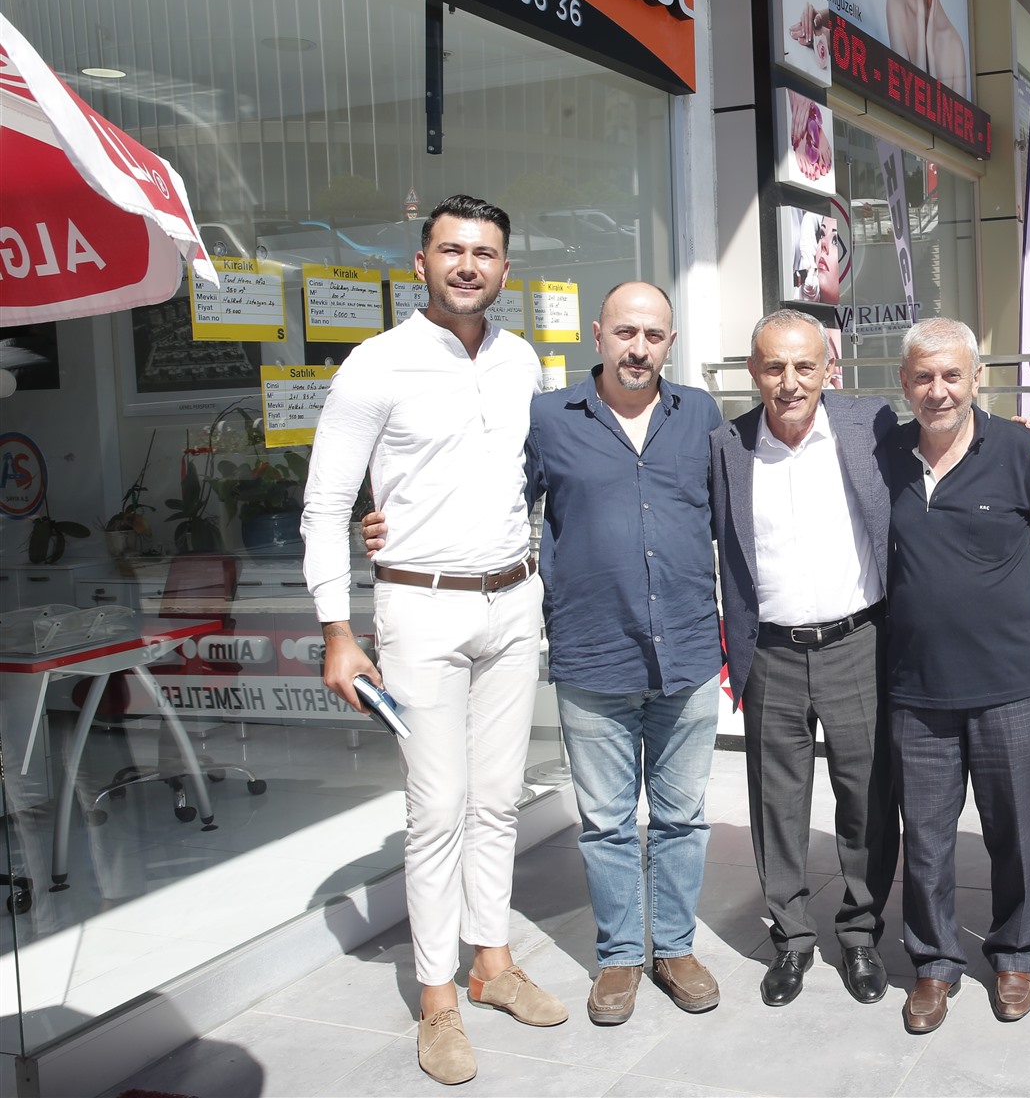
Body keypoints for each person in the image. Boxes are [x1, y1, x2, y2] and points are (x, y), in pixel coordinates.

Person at [361, 282, 728, 1028]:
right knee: (607, 822)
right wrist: (387, 523)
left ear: (670, 341)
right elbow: (489, 502)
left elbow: (736, 510)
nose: (638, 349)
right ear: (598, 334)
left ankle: (675, 949)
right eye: (625, 332)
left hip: (687, 648)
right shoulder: (551, 418)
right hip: (594, 652)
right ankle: (620, 955)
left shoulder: (700, 415)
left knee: (683, 817)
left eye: (653, 335)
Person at [301, 194, 563, 1086]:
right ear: (420, 264)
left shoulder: (521, 360)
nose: (467, 266)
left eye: (484, 253)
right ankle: (438, 997)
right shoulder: (374, 365)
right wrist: (337, 629)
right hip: (420, 610)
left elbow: (528, 477)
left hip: (512, 602)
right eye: (451, 250)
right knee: (438, 807)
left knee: (497, 797)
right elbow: (325, 505)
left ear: (504, 269)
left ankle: (493, 964)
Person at [709, 309, 898, 1009]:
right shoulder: (726, 446)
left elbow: (947, 442)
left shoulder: (870, 425)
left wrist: (1027, 436)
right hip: (772, 651)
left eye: (804, 366)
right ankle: (790, 936)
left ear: (828, 370)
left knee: (868, 799)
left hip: (858, 642)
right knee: (776, 802)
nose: (789, 382)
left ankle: (860, 932)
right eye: (774, 367)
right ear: (753, 371)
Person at [879, 319, 1030, 1034]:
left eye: (952, 375)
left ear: (977, 378)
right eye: (923, 377)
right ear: (904, 383)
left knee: (1015, 832)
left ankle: (1015, 955)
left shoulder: (1014, 448)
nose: (938, 391)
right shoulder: (884, 454)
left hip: (1008, 685)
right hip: (915, 688)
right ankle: (932, 964)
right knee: (925, 838)